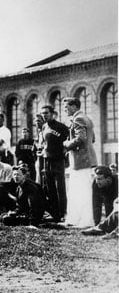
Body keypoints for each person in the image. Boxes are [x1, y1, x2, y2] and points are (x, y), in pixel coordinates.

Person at [63, 97, 97, 228]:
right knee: (79, 190)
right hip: (84, 159)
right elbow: (92, 138)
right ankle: (77, 219)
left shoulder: (78, 119)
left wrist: (66, 144)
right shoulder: (86, 118)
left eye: (66, 107)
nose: (65, 110)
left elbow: (81, 138)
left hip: (81, 161)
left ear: (74, 106)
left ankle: (85, 221)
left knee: (81, 191)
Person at [40, 104, 68, 222]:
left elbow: (68, 141)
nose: (44, 115)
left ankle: (63, 213)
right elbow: (43, 142)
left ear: (52, 114)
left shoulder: (61, 127)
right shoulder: (44, 126)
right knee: (50, 188)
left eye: (46, 113)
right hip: (47, 160)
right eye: (43, 113)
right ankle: (55, 214)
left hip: (58, 160)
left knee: (60, 188)